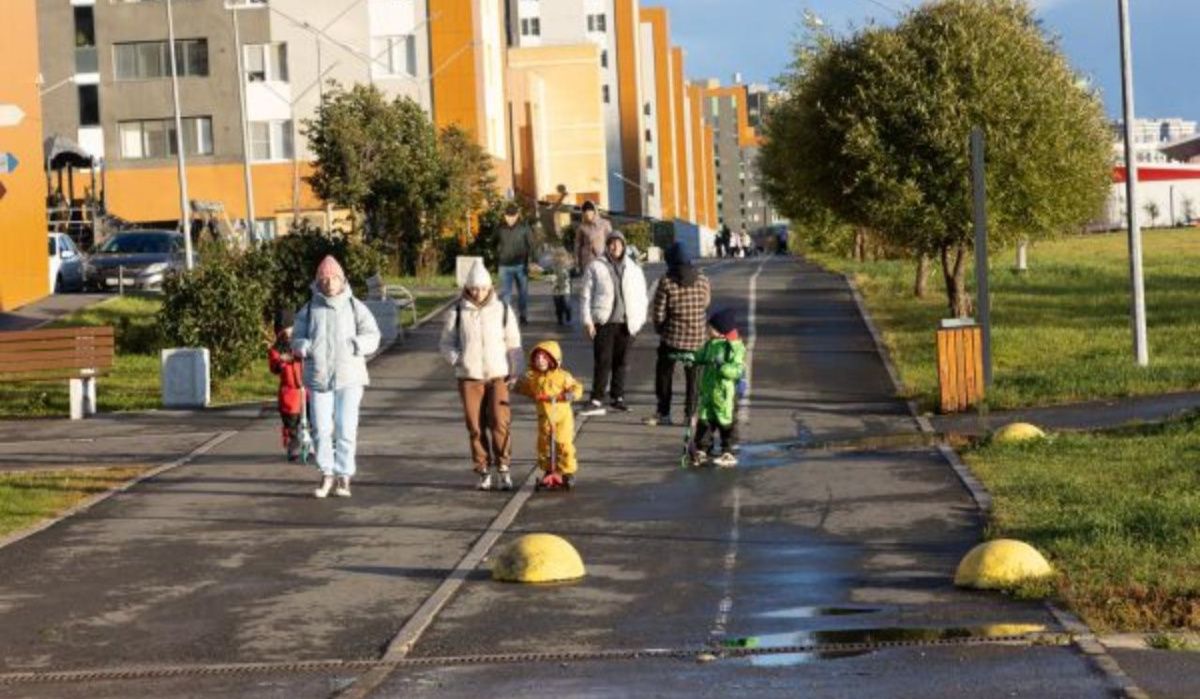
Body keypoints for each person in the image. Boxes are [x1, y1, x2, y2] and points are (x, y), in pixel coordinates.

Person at [292, 256, 381, 498]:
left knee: (346, 428)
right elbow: (296, 337)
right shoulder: (310, 309)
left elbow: (373, 335)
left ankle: (344, 476)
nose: (329, 283)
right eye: (324, 279)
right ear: (318, 282)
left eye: (334, 278)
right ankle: (326, 473)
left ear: (342, 280)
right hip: (319, 377)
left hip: (350, 377)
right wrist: (303, 346)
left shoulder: (355, 306)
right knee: (322, 428)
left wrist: (357, 345)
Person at [439, 260, 523, 491]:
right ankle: (483, 469)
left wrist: (515, 371)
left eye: (483, 288)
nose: (478, 292)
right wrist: (459, 359)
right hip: (470, 377)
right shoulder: (457, 311)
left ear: (490, 287)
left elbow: (513, 343)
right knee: (475, 426)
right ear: (467, 288)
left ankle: (504, 467)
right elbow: (446, 344)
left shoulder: (502, 310)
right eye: (474, 288)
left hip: (498, 375)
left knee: (499, 422)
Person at [579, 231, 648, 415]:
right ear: (607, 245)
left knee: (621, 362)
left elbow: (642, 297)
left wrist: (639, 321)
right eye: (611, 243)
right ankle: (596, 398)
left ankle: (618, 397)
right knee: (603, 361)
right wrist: (588, 320)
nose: (615, 247)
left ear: (624, 246)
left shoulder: (634, 269)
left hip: (627, 323)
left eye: (618, 243)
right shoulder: (595, 266)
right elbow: (585, 295)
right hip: (604, 321)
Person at [645, 243, 710, 426]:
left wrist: (660, 329)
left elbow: (658, 312)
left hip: (673, 338)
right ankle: (690, 415)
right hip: (697, 338)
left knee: (664, 371)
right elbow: (706, 303)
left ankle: (664, 412)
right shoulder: (703, 279)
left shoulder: (666, 281)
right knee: (694, 376)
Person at [513, 340, 584, 488]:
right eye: (537, 358)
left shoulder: (562, 376)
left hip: (561, 417)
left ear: (552, 360)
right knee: (544, 445)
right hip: (544, 417)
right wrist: (516, 386)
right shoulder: (534, 378)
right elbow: (529, 390)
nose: (540, 361)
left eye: (544, 358)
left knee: (563, 444)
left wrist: (570, 395)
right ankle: (548, 470)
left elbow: (576, 387)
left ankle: (567, 472)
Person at [691, 308, 746, 468]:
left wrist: (722, 366)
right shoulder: (710, 344)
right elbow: (701, 356)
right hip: (709, 390)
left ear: (720, 330)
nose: (707, 330)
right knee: (705, 419)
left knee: (725, 421)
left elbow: (737, 370)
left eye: (710, 328)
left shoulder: (733, 347)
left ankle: (728, 450)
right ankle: (702, 448)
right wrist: (691, 357)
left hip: (724, 393)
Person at [268, 309, 304, 462]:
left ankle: (315, 444)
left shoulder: (300, 342)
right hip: (289, 392)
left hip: (306, 389)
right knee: (291, 422)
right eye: (282, 329)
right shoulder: (276, 349)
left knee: (313, 419)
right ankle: (292, 445)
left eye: (288, 328)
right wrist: (282, 361)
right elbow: (274, 367)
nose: (286, 332)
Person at [496, 202, 533, 325]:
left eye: (512, 215)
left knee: (522, 293)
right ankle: (505, 317)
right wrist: (498, 251)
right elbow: (493, 242)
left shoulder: (524, 227)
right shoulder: (500, 227)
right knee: (505, 294)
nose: (510, 218)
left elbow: (531, 244)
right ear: (504, 215)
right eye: (508, 215)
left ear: (517, 215)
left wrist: (531, 261)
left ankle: (523, 315)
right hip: (504, 266)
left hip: (521, 265)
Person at [573, 200, 610, 274]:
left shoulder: (604, 224)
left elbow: (610, 240)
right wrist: (577, 262)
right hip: (587, 261)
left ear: (594, 212)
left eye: (589, 214)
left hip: (602, 258)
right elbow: (577, 246)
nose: (587, 216)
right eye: (585, 215)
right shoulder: (581, 227)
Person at [550, 246, 573, 326]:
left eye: (561, 256)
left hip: (565, 289)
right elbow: (547, 274)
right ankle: (560, 319)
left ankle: (568, 312)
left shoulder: (567, 266)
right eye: (557, 256)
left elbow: (572, 272)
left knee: (566, 303)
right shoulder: (552, 266)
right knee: (558, 305)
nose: (559, 259)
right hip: (555, 289)